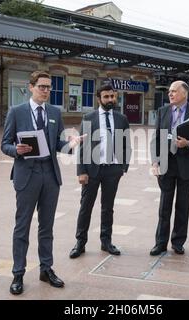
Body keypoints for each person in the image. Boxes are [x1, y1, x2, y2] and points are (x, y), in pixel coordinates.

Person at [1, 71, 84, 294]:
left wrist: (72, 144)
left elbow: (58, 144)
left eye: (49, 87)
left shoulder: (55, 112)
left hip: (50, 174)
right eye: (42, 87)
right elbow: (4, 144)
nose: (46, 91)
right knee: (22, 226)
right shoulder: (16, 112)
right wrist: (16, 150)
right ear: (31, 87)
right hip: (26, 174)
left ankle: (46, 269)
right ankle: (18, 273)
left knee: (47, 226)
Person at [69, 83, 131, 259]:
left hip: (113, 170)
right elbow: (82, 147)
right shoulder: (89, 118)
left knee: (108, 208)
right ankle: (80, 243)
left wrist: (123, 167)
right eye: (106, 97)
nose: (110, 99)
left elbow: (126, 144)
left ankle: (106, 242)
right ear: (99, 99)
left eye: (112, 96)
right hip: (91, 171)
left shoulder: (121, 118)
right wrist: (81, 171)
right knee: (85, 207)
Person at [149, 80, 189, 256]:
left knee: (183, 206)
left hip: (187, 166)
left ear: (184, 93)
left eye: (174, 91)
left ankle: (178, 242)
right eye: (169, 91)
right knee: (164, 206)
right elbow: (156, 138)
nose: (170, 94)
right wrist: (155, 161)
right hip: (166, 165)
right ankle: (160, 243)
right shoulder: (163, 111)